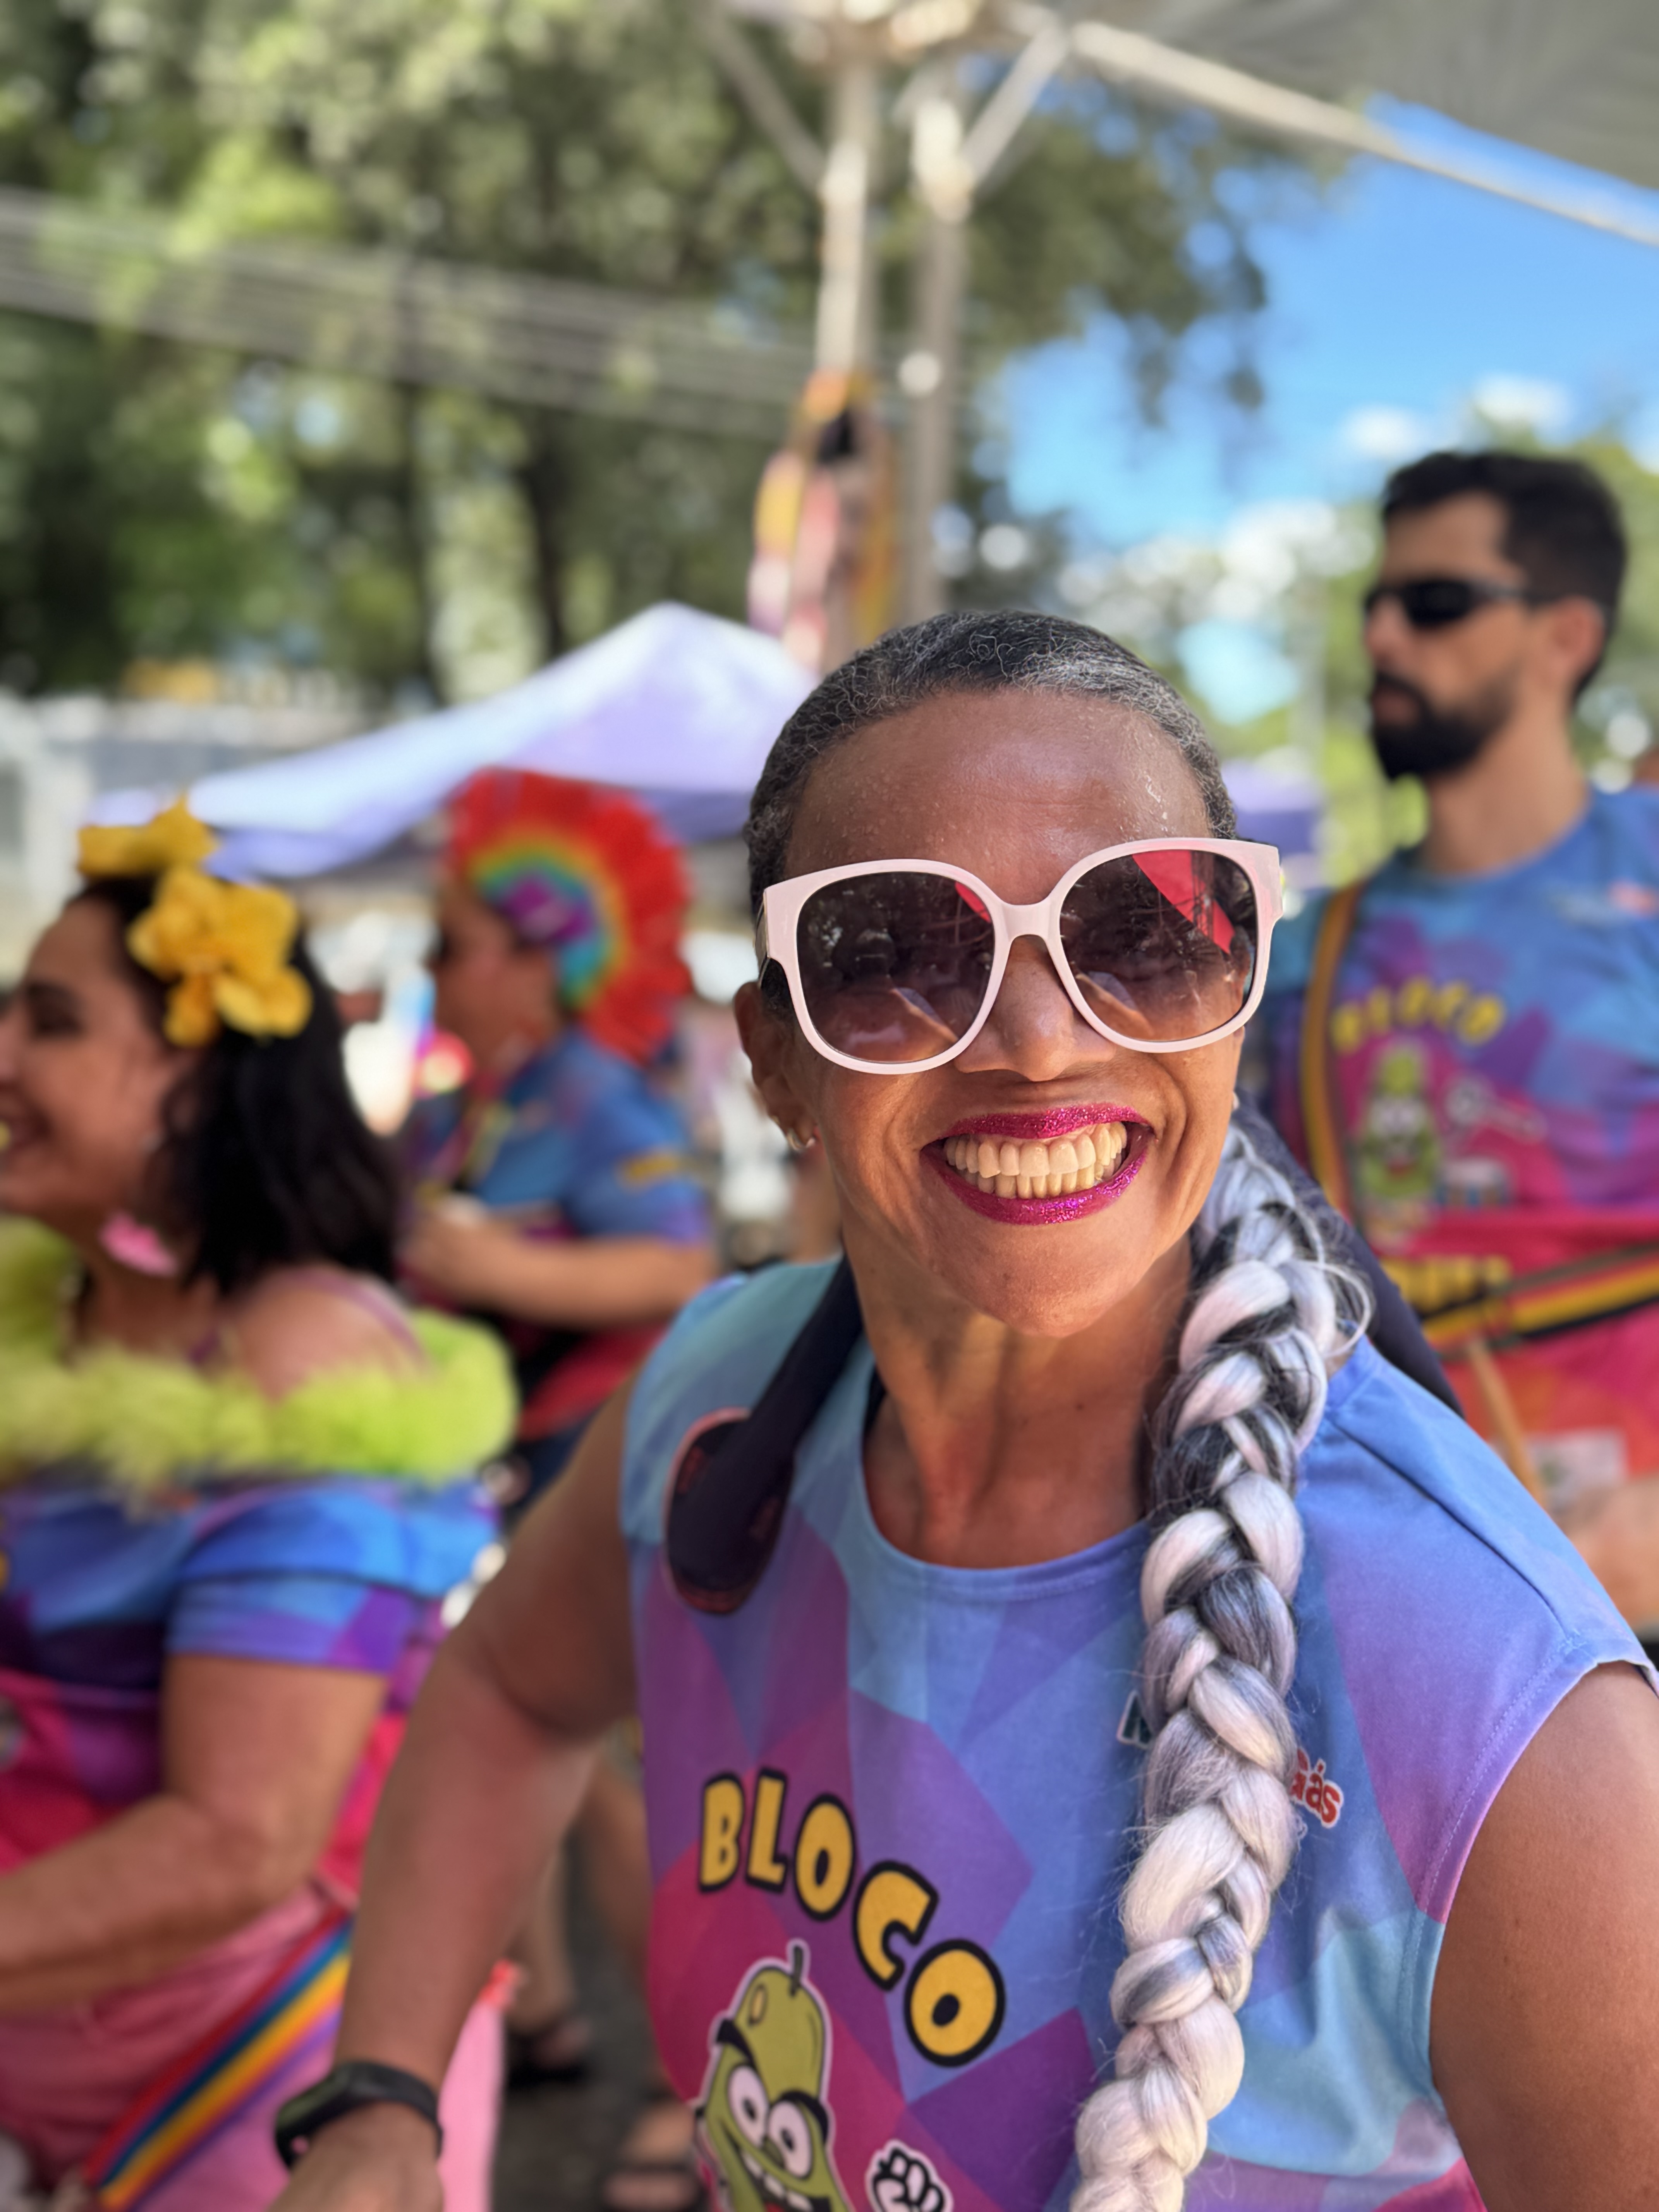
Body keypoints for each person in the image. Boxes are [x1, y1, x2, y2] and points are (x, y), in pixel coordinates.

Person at [270, 611, 1659, 2212]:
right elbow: (507, 1692)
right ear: (775, 1065)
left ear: (1236, 990)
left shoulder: (1489, 1690)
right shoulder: (716, 1411)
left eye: (1142, 934)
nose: (1041, 1044)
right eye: (896, 958)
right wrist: (381, 2100)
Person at [0, 800, 513, 2211]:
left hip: (257, 2097)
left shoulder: (302, 1369)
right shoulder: (46, 1320)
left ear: (198, 1087)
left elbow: (237, 1840)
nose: (0, 1054)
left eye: (51, 1023)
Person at [1257, 449, 1659, 1628]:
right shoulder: (1306, 952)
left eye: (1436, 603)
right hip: (1401, 1591)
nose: (1382, 636)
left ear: (1564, 639)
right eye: (1376, 603)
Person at [400, 767, 716, 2207]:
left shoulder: (591, 1095)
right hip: (502, 1478)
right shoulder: (467, 1108)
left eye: (452, 945)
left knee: (608, 1784)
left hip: (602, 1480)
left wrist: (492, 1268)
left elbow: (676, 1260)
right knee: (510, 1737)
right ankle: (542, 2013)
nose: (433, 972)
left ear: (538, 960)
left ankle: (682, 2095)